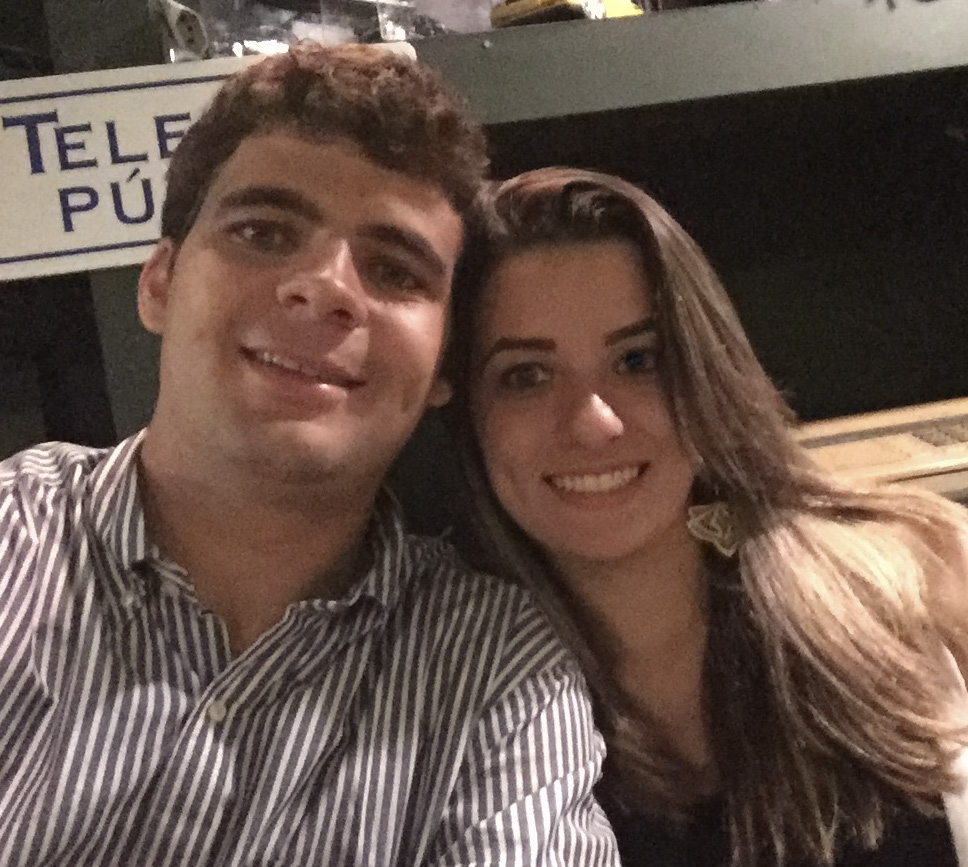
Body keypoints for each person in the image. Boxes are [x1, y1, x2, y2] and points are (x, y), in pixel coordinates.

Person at [0, 49, 620, 865]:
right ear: (159, 283)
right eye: (262, 232)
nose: (326, 287)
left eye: (394, 269)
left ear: (444, 365)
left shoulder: (498, 671)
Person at [444, 165, 968, 867]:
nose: (595, 423)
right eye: (527, 376)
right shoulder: (449, 699)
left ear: (704, 370)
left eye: (638, 360)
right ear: (466, 413)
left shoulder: (924, 576)